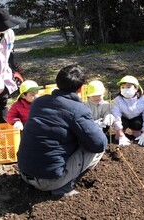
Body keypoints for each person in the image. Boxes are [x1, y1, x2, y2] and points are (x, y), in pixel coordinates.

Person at [17, 65, 108, 197]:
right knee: (96, 147)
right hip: (49, 180)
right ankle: (64, 186)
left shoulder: (38, 102)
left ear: (57, 84)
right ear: (81, 88)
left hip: (25, 172)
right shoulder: (78, 109)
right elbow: (99, 144)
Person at [112, 75, 144, 146]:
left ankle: (136, 132)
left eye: (128, 87)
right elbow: (116, 116)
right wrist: (120, 134)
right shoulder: (117, 100)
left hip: (136, 119)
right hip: (123, 119)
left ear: (136, 88)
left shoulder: (143, 100)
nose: (125, 89)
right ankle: (121, 133)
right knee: (118, 136)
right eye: (123, 87)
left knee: (137, 124)